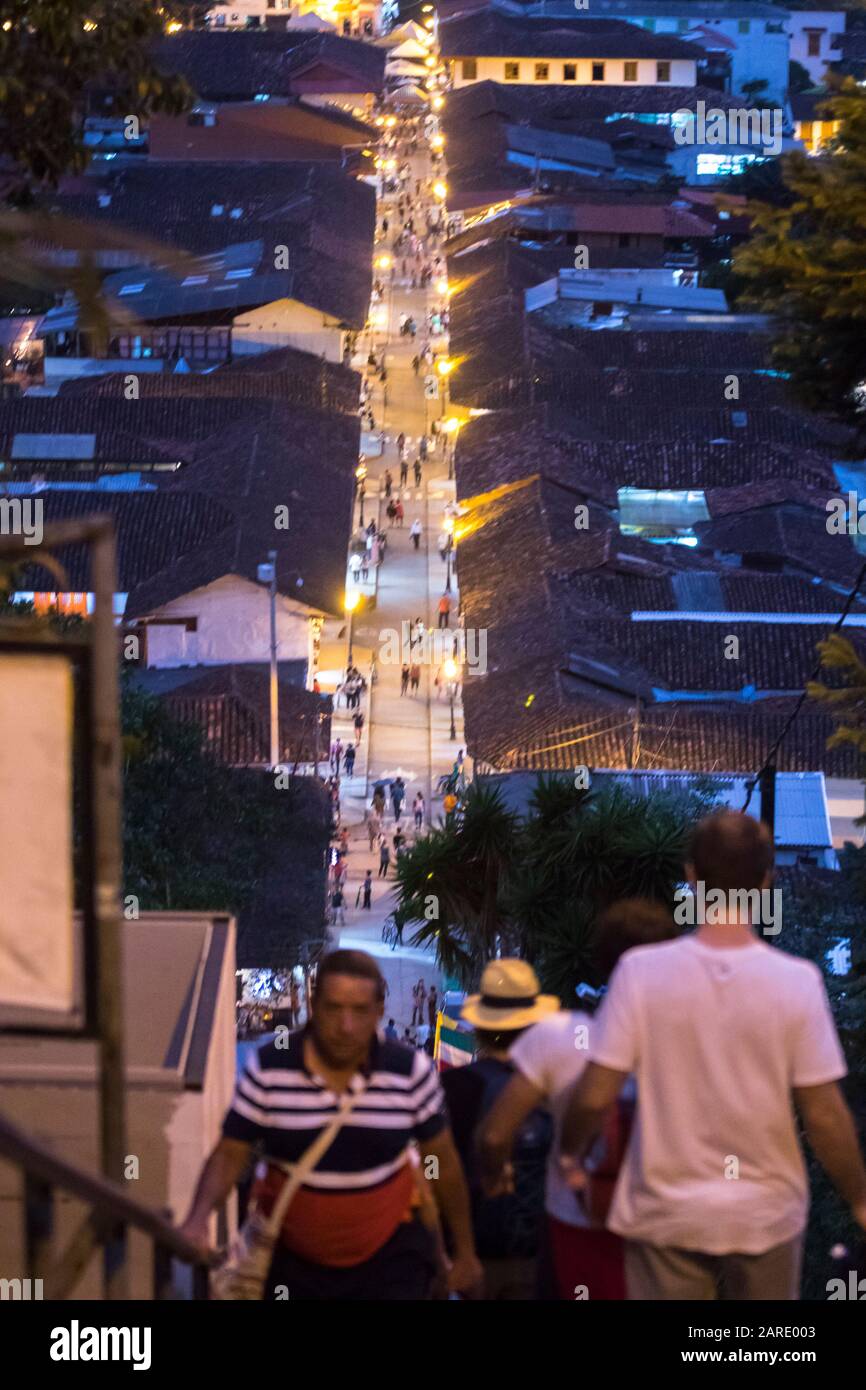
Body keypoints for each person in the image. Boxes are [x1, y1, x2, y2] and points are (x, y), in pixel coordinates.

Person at [561, 811, 866, 1301]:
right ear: (766, 881)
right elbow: (825, 1114)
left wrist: (570, 1155)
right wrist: (860, 1200)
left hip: (665, 1214)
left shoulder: (641, 973)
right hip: (766, 1215)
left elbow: (596, 1094)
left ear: (691, 877)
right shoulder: (797, 981)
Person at [180, 951, 482, 1300]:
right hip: (295, 1268)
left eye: (359, 1011)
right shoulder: (270, 1069)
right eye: (333, 1008)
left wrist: (465, 1253)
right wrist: (198, 1219)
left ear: (379, 1012)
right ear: (314, 1004)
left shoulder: (409, 1072)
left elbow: (442, 1161)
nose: (346, 1026)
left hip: (391, 1262)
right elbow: (230, 1152)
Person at [479, 900, 678, 1301]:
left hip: (576, 1227)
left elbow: (495, 1135)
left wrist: (495, 1175)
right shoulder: (695, 1041)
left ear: (601, 960)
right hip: (666, 1231)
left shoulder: (556, 1037)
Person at [443, 960, 557, 1300]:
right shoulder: (557, 1086)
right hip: (544, 1253)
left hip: (470, 1254)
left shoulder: (451, 1087)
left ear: (479, 1026)